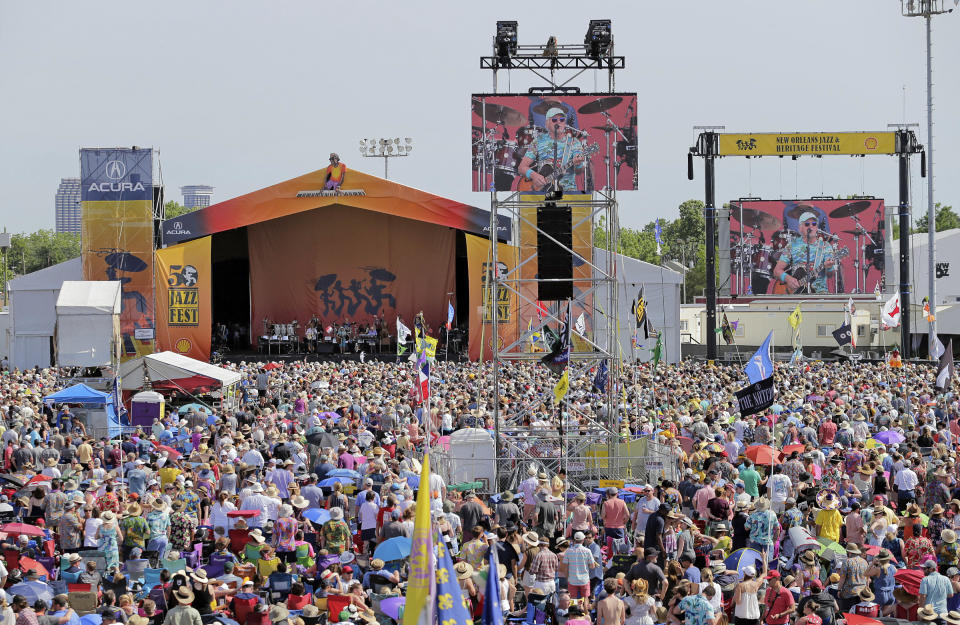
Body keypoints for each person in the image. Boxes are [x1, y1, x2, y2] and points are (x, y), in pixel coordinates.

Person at [517, 106, 587, 192]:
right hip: (543, 192)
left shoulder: (574, 142)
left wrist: (578, 164)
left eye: (562, 119)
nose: (559, 122)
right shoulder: (538, 141)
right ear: (547, 124)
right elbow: (521, 168)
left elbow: (579, 171)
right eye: (554, 120)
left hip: (568, 191)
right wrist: (534, 175)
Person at [772, 208, 837, 294]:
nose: (811, 227)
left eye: (814, 224)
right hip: (797, 293)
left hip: (820, 293)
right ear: (800, 228)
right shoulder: (792, 245)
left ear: (817, 227)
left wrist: (829, 267)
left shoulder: (825, 246)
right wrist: (788, 279)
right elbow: (777, 271)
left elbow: (830, 274)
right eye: (807, 224)